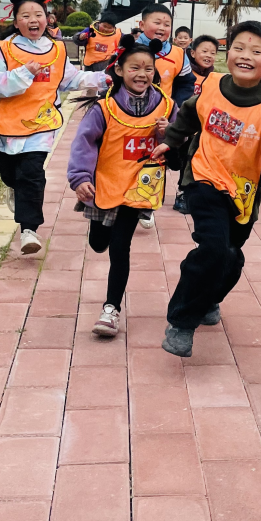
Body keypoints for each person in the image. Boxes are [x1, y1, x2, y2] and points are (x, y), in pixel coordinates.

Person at [155, 21, 261, 358]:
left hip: (243, 197)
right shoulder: (211, 87)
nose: (245, 56)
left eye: (256, 51)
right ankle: (181, 322)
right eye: (239, 48)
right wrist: (172, 140)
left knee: (231, 257)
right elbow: (190, 114)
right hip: (203, 178)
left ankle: (208, 298)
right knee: (214, 248)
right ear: (228, 52)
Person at [0, 0, 108, 255]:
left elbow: (71, 79)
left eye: (38, 15)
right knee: (10, 173)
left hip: (41, 125)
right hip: (7, 124)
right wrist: (24, 73)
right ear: (16, 22)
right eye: (26, 16)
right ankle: (14, 188)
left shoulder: (56, 49)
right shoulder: (4, 49)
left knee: (32, 174)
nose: (33, 20)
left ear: (47, 19)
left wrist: (103, 80)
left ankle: (29, 230)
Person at [67, 37, 171, 336]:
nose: (142, 74)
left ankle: (111, 310)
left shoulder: (166, 107)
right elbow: (84, 144)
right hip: (106, 186)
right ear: (120, 70)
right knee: (99, 242)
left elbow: (178, 146)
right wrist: (80, 178)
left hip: (138, 189)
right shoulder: (104, 108)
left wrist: (169, 134)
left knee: (120, 247)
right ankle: (98, 231)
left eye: (148, 68)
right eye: (134, 68)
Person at [137, 3, 196, 228]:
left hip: (161, 119)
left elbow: (186, 83)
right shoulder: (130, 49)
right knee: (131, 157)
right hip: (130, 116)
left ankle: (146, 204)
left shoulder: (178, 54)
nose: (162, 28)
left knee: (156, 159)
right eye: (157, 22)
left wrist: (176, 110)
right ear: (142, 24)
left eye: (167, 24)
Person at [171, 35, 220, 214]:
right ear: (192, 53)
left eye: (212, 53)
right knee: (182, 160)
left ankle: (189, 194)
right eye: (204, 51)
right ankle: (182, 193)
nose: (208, 56)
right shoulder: (185, 75)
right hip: (184, 125)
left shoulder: (215, 78)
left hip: (204, 129)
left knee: (196, 160)